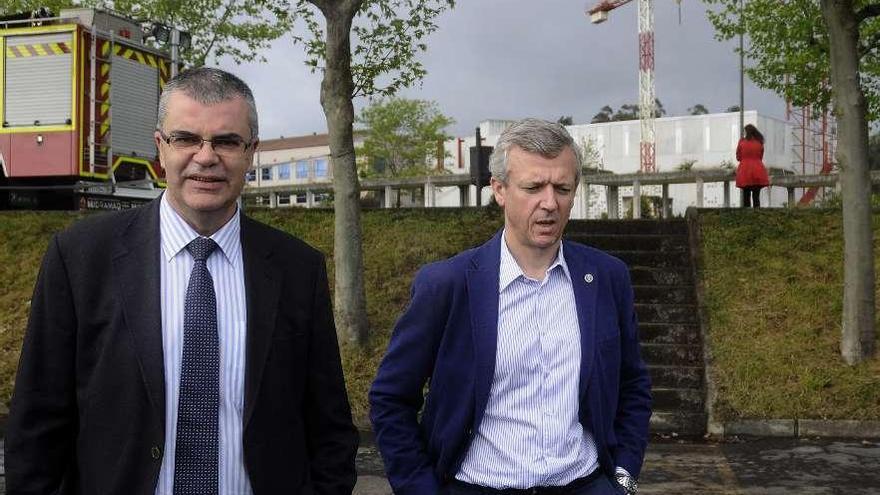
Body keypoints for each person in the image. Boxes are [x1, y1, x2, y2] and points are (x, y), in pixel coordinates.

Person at [5, 67, 358, 495]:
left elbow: (329, 427)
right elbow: (37, 424)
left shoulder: (297, 269)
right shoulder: (80, 258)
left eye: (227, 141)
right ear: (160, 147)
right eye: (186, 138)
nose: (206, 156)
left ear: (251, 152)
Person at [369, 118, 652, 495]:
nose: (550, 203)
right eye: (534, 187)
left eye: (563, 188)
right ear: (499, 190)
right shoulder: (448, 285)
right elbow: (390, 398)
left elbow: (633, 384)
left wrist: (623, 476)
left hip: (584, 484)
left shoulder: (607, 277)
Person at [735, 124, 770, 208]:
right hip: (758, 170)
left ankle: (747, 217)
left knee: (746, 196)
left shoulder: (742, 142)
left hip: (745, 171)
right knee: (756, 196)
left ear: (746, 132)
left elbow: (738, 157)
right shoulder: (759, 142)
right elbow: (760, 157)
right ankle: (756, 215)